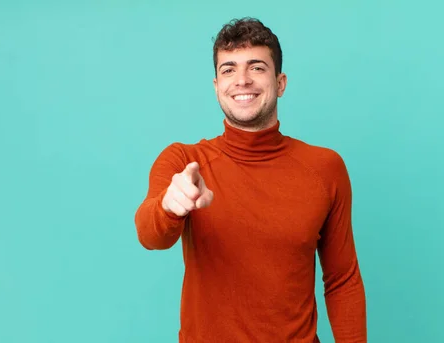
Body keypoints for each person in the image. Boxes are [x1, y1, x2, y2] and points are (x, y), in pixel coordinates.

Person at [134, 17, 366, 342]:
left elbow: (342, 279)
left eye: (256, 67)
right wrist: (170, 207)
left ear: (281, 82)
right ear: (216, 86)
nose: (241, 80)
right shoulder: (185, 161)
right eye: (228, 69)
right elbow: (149, 235)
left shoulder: (325, 167)